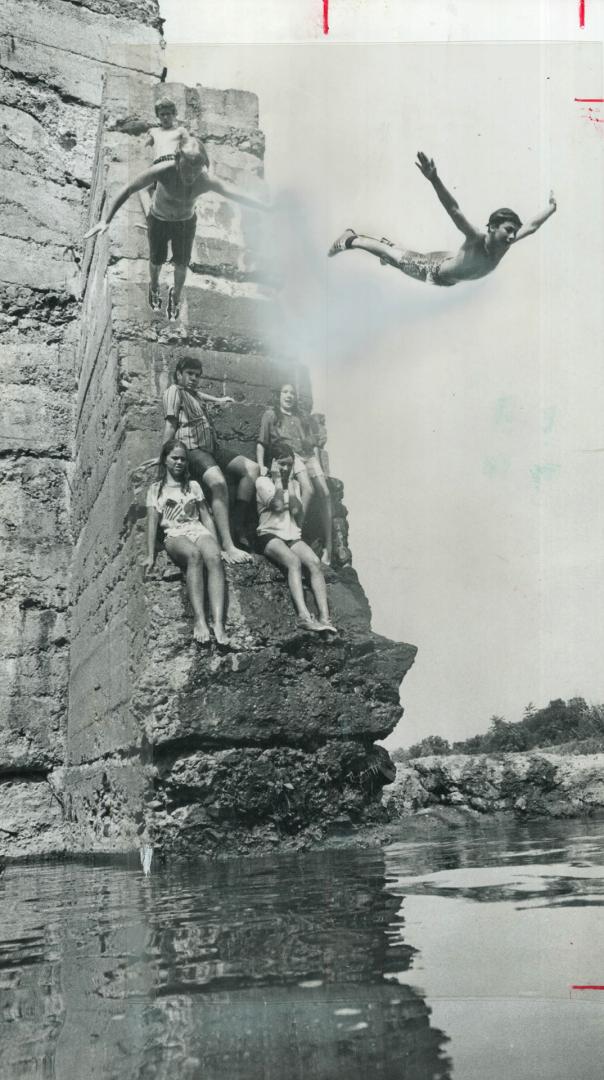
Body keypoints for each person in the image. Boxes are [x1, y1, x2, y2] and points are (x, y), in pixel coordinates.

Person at [84, 134, 270, 319]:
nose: (190, 176)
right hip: (159, 220)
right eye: (187, 169)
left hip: (185, 223)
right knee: (156, 261)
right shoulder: (164, 170)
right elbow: (129, 188)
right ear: (177, 159)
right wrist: (106, 220)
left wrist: (265, 207)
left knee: (181, 264)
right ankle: (155, 286)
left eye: (196, 171)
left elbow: (234, 193)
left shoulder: (204, 181)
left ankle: (176, 296)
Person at [328, 151, 556, 287]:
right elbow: (454, 210)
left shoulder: (506, 242)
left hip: (450, 272)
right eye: (508, 229)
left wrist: (551, 208)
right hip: (432, 269)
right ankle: (352, 239)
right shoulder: (476, 237)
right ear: (494, 227)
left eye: (514, 231)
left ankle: (389, 246)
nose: (513, 235)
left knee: (399, 258)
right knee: (394, 259)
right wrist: (434, 179)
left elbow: (532, 226)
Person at [163, 355, 258, 564]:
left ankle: (238, 523)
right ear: (179, 374)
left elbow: (200, 394)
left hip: (212, 447)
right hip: (192, 448)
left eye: (197, 375)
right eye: (189, 374)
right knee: (218, 482)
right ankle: (228, 545)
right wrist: (164, 455)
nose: (194, 378)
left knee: (252, 469)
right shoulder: (173, 392)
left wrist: (219, 400)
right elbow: (170, 424)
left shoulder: (192, 393)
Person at [143, 440, 231, 647]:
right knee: (194, 556)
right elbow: (152, 522)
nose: (179, 462)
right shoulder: (156, 489)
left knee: (213, 557)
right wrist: (149, 554)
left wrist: (217, 544)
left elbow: (206, 517)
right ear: (165, 460)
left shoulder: (193, 486)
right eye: (174, 458)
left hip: (196, 528)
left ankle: (219, 623)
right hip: (174, 533)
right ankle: (200, 619)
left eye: (183, 459)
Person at [256, 441, 336, 634]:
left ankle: (325, 617)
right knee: (293, 562)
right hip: (269, 535)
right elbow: (276, 506)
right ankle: (304, 616)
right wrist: (277, 480)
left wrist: (290, 485)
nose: (285, 468)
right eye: (281, 464)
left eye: (289, 464)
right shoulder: (262, 482)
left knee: (315, 562)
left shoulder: (293, 484)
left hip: (291, 535)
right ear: (273, 463)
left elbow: (296, 511)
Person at [257, 382, 333, 565]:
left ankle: (329, 548)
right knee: (308, 488)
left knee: (326, 493)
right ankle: (296, 532)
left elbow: (313, 444)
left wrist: (319, 467)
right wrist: (261, 465)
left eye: (292, 393)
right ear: (279, 395)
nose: (289, 396)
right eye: (285, 392)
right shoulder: (271, 415)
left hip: (308, 456)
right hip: (291, 455)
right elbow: (261, 442)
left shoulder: (302, 417)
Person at [138, 97, 189, 217]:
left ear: (174, 114)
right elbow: (144, 146)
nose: (165, 117)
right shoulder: (154, 131)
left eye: (168, 114)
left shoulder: (180, 130)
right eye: (162, 114)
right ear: (158, 116)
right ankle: (150, 218)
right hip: (157, 166)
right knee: (142, 189)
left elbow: (189, 145)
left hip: (172, 164)